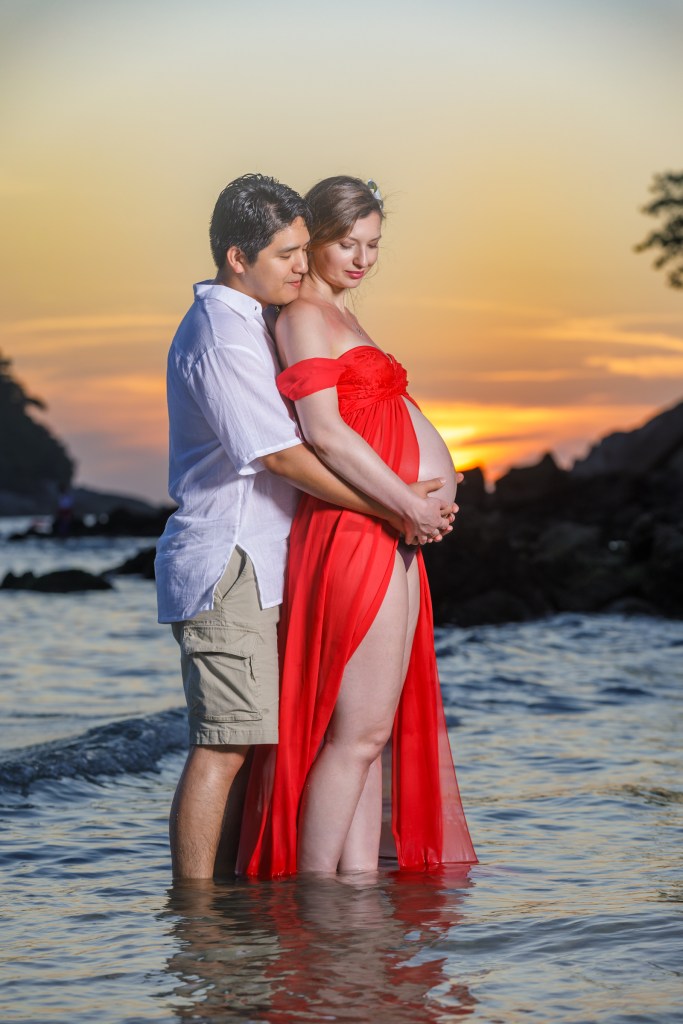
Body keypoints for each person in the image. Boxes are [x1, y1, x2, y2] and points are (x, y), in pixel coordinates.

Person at [155, 174, 455, 880]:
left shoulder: (258, 323)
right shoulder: (223, 337)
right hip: (231, 556)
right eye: (289, 253)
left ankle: (254, 898)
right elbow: (286, 452)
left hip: (276, 553)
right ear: (239, 257)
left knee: (268, 738)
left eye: (302, 250)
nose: (300, 265)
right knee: (227, 742)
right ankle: (199, 912)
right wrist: (396, 506)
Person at [238, 176, 478, 877]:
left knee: (371, 735)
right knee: (356, 734)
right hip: (355, 530)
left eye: (373, 245)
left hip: (389, 530)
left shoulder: (340, 314)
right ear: (312, 240)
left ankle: (357, 889)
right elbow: (325, 433)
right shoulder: (302, 318)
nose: (362, 258)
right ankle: (316, 895)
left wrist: (423, 495)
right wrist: (407, 501)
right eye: (347, 243)